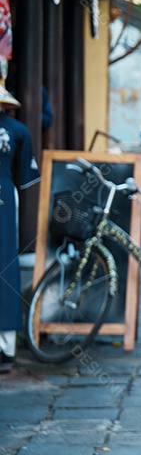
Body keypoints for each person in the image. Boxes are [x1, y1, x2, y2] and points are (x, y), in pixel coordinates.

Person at [0, 86, 40, 373]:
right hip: (4, 196)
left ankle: (6, 344)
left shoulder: (18, 130)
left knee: (6, 264)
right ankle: (7, 345)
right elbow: (26, 176)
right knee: (6, 266)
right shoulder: (19, 130)